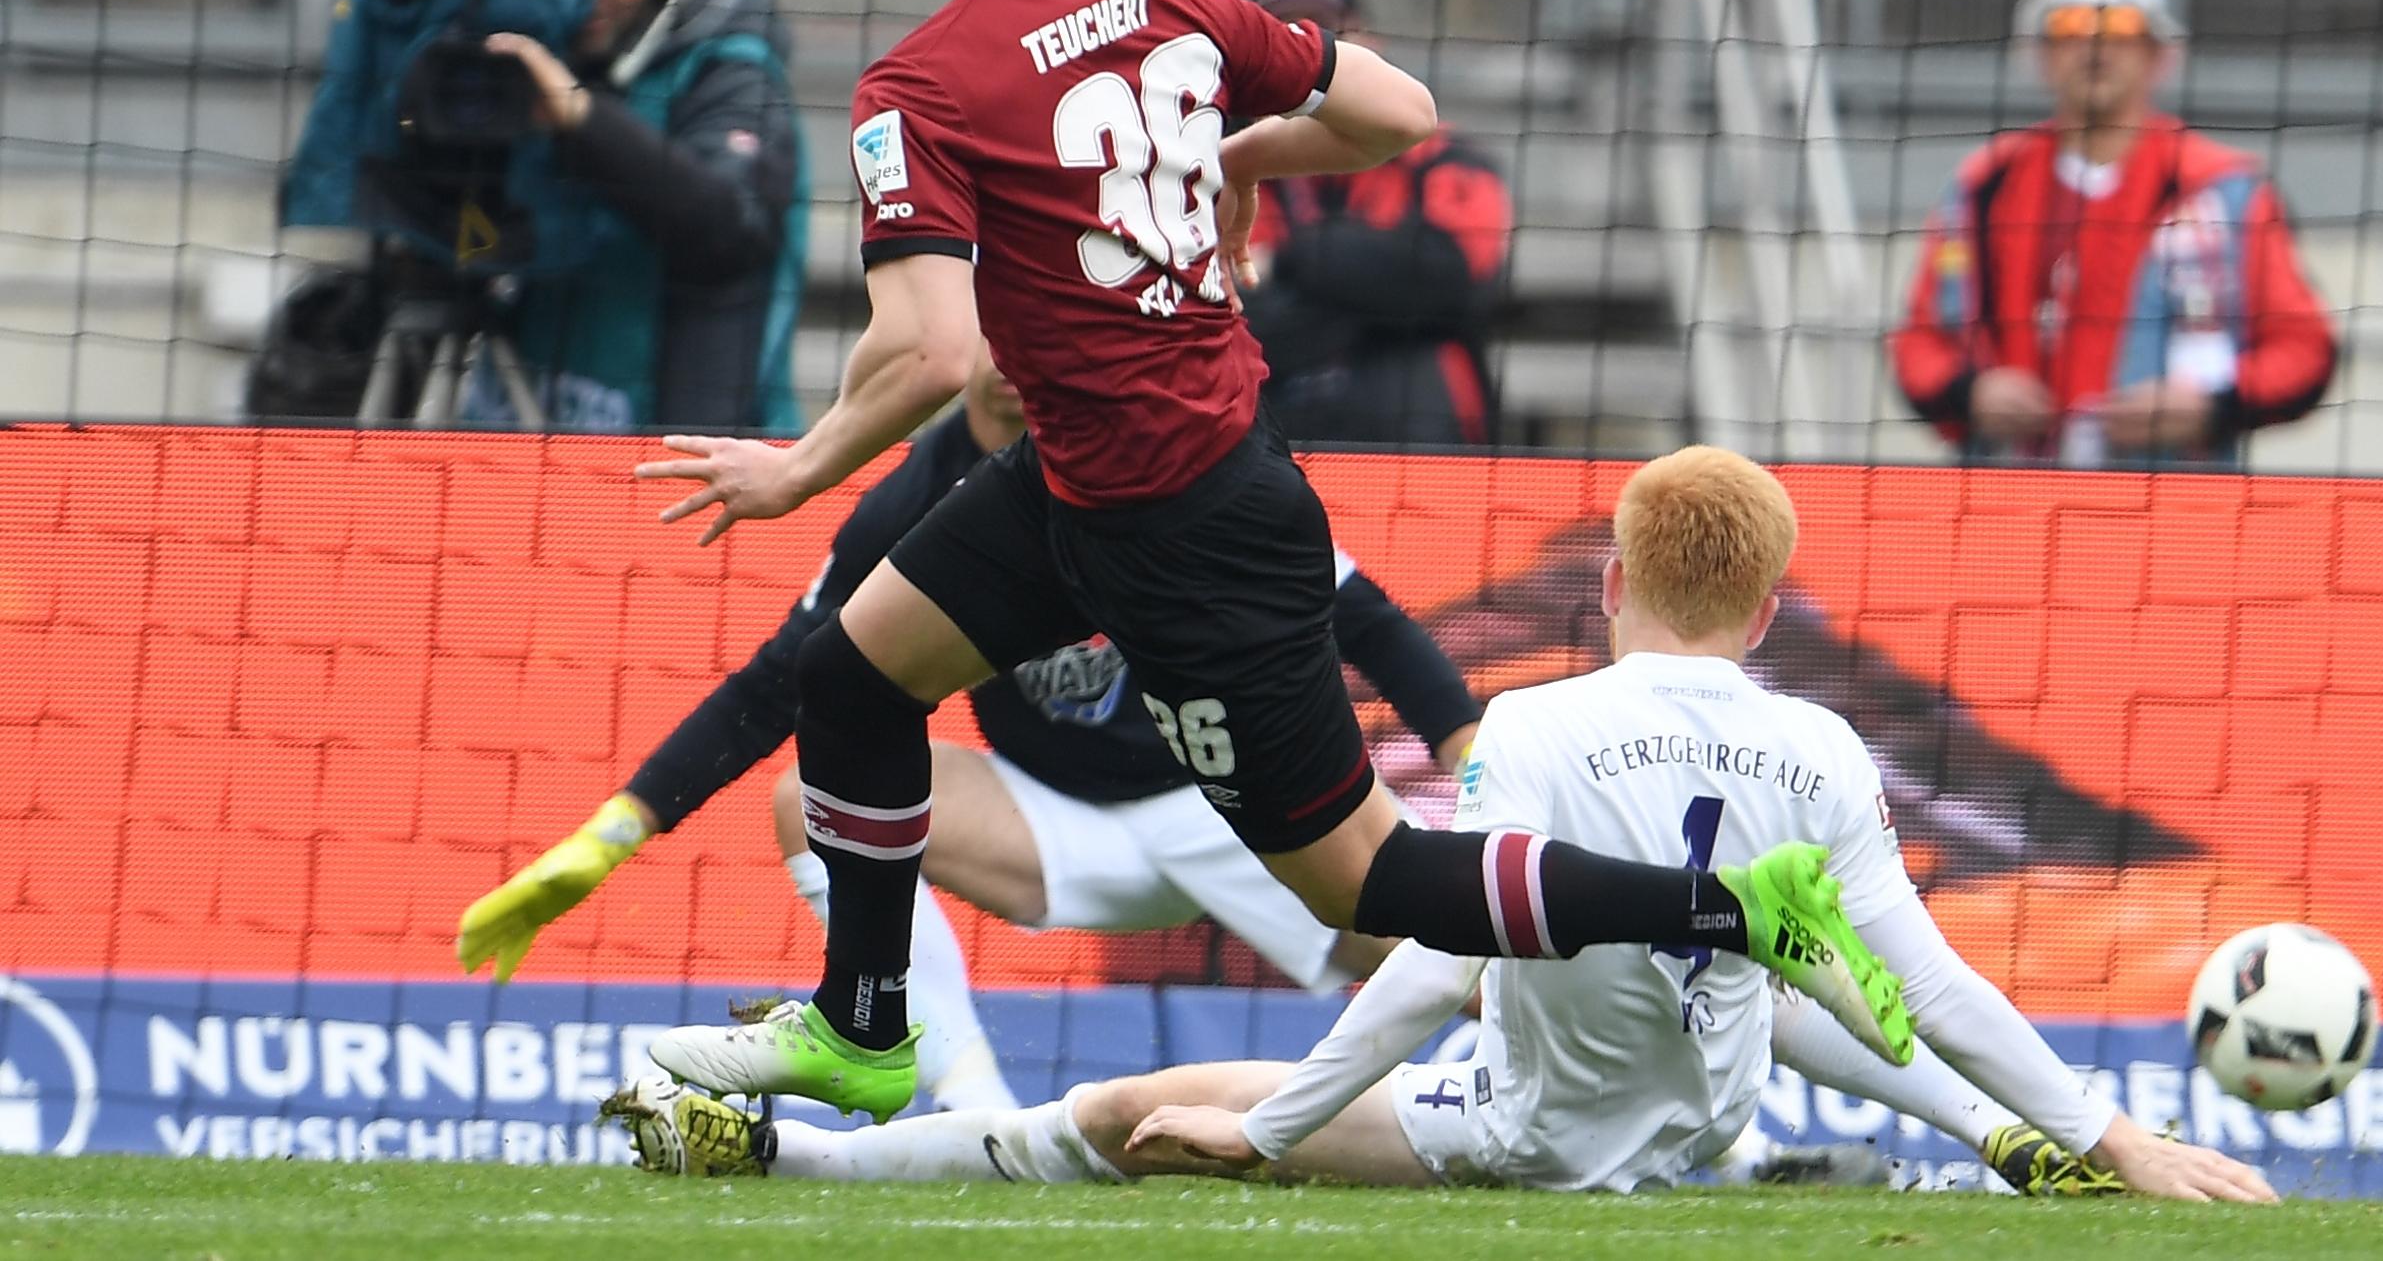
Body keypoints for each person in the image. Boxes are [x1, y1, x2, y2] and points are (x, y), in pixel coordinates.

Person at [628, 0, 1914, 1126]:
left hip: (1189, 521)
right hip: (1084, 482)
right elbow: (1401, 111)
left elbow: (932, 347)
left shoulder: (918, 86)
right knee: (852, 677)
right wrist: (1232, 144)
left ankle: (1734, 905)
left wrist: (797, 467)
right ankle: (866, 1025)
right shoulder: (1167, 4)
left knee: (1371, 881)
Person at [608, 448, 2273, 1204]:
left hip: (1516, 1130)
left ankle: (799, 1153)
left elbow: (1431, 960)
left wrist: (1277, 1124)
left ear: (1611, 581)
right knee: (1774, 955)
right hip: (1700, 1120)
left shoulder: (1534, 723)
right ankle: (2001, 1140)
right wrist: (2104, 1130)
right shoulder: (1829, 746)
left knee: (1125, 1110)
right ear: (1769, 609)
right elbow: (1927, 983)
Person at [455, 349, 1482, 1111]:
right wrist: (616, 832)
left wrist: (1472, 757)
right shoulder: (909, 504)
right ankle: (972, 1113)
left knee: (1440, 949)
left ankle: (1555, 1057)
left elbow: (1369, 622)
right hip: (1054, 824)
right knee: (807, 798)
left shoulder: (1153, 454)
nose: (1018, 354)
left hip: (1220, 801)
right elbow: (778, 686)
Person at [1890, 0, 2336, 468]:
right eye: (2071, 27)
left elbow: (2305, 350)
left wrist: (2212, 405)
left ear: (2157, 54)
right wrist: (1971, 393)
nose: (2096, 47)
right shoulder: (1983, 187)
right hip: (2008, 499)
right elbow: (1918, 344)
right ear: (2042, 54)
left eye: (2122, 28)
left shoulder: (2226, 192)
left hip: (2175, 499)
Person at [467, 0, 809, 432]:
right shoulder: (519, 57)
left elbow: (728, 225)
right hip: (529, 431)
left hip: (692, 451)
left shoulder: (732, 73)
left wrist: (582, 118)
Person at [1241, 0, 1512, 447]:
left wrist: (1289, 260)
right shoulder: (1224, 166)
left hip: (1417, 429)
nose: (1305, 50)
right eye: (1283, 36)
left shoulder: (1445, 156)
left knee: (1419, 365)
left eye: (1325, 31)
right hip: (1278, 420)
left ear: (1369, 45)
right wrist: (1374, 301)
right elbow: (1238, 316)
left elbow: (1451, 278)